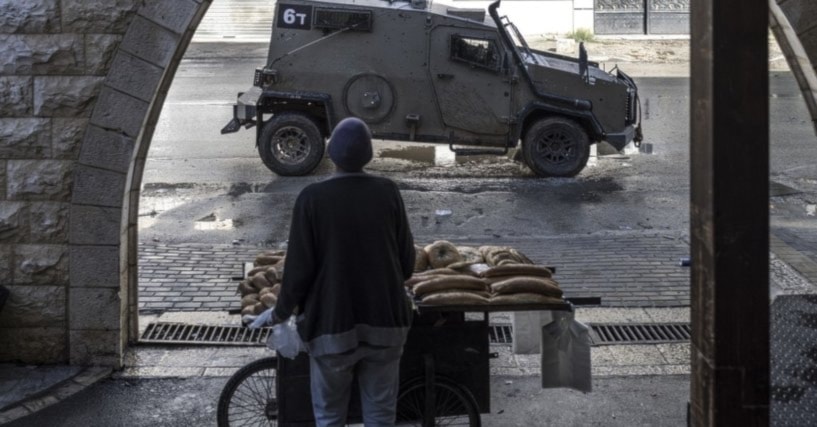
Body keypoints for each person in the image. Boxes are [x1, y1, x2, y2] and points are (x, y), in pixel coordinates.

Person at [273, 117, 416, 427]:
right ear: (368, 154)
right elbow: (408, 262)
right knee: (380, 416)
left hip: (331, 329)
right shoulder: (388, 192)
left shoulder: (311, 199)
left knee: (329, 416)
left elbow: (298, 271)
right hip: (386, 326)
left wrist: (281, 312)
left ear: (331, 153)